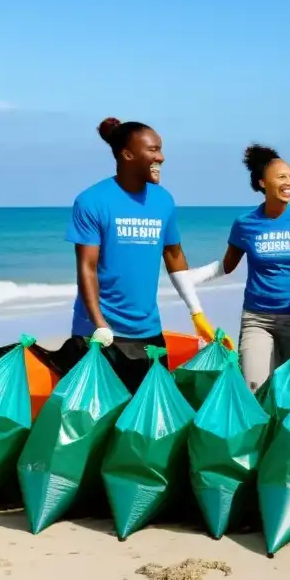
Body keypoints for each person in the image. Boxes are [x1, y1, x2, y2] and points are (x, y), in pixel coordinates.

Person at [58, 118, 225, 394]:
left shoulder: (164, 201)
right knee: (96, 421)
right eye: (154, 150)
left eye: (160, 150)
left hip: (148, 331)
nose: (161, 157)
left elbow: (174, 256)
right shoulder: (92, 201)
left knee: (145, 419)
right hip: (99, 334)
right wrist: (99, 325)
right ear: (127, 155)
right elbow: (87, 268)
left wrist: (197, 314)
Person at [171, 144, 290, 390]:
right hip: (258, 319)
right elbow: (226, 266)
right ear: (262, 183)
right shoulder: (245, 224)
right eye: (281, 177)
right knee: (254, 387)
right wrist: (186, 278)